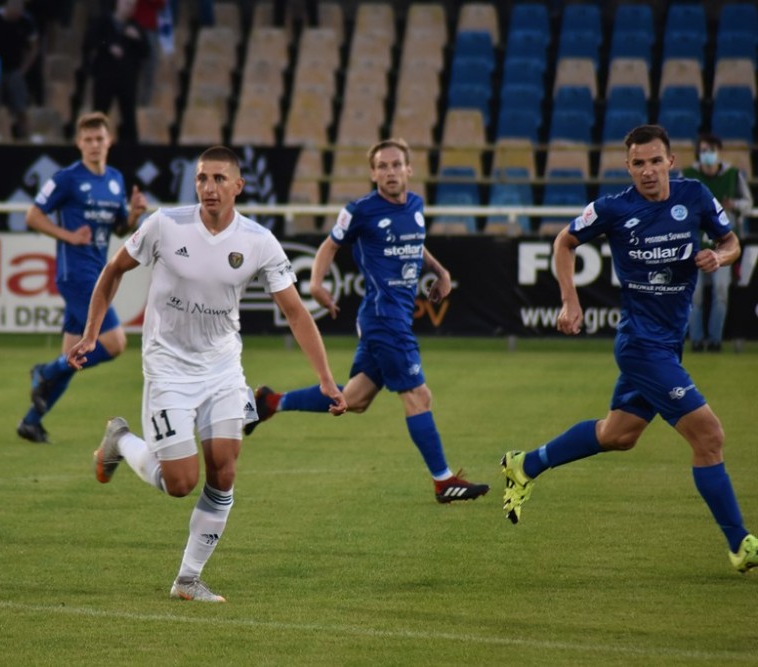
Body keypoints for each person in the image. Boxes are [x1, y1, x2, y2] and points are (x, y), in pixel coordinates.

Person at [67, 146, 347, 602]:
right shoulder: (164, 225)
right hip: (168, 367)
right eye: (202, 178)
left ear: (238, 185)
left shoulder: (258, 241)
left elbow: (296, 312)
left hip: (222, 368)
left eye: (219, 178)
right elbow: (114, 270)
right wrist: (91, 332)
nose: (209, 187)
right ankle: (120, 440)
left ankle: (187, 579)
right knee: (180, 483)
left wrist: (326, 378)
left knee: (224, 469)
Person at [501, 124, 757, 574]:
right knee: (710, 437)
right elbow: (564, 242)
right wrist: (570, 300)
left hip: (668, 344)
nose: (648, 171)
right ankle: (741, 545)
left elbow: (731, 241)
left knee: (617, 436)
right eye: (639, 163)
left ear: (671, 162)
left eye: (656, 161)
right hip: (641, 346)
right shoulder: (614, 208)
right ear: (628, 167)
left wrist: (720, 257)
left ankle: (525, 465)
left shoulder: (695, 196)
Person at [243, 138, 490, 505]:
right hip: (383, 318)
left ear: (409, 169)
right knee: (419, 396)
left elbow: (415, 243)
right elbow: (329, 245)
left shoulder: (416, 206)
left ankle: (270, 401)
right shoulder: (360, 211)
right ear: (373, 173)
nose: (390, 172)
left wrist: (440, 271)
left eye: (396, 164)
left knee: (355, 399)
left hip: (393, 317)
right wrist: (315, 283)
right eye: (382, 166)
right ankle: (443, 481)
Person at [17, 111, 147, 443]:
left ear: (109, 141)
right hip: (75, 274)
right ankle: (45, 371)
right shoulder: (67, 179)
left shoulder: (115, 179)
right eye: (88, 139)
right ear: (78, 143)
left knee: (74, 357)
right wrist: (68, 236)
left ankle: (31, 422)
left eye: (99, 138)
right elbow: (32, 215)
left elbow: (119, 228)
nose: (94, 145)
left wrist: (133, 216)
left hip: (98, 272)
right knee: (115, 343)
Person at [682, 133, 753, 352]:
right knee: (695, 295)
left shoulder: (732, 175)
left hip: (723, 245)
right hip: (693, 244)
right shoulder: (688, 175)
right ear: (698, 153)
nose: (708, 154)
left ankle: (714, 340)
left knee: (721, 292)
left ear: (718, 152)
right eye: (704, 150)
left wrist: (735, 205)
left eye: (711, 150)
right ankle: (696, 340)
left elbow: (748, 203)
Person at [67, 0, 147, 144]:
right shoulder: (103, 22)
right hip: (105, 75)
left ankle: (131, 149)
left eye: (133, 6)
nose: (130, 8)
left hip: (127, 78)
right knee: (100, 113)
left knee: (128, 115)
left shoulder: (135, 26)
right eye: (127, 4)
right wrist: (108, 46)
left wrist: (137, 39)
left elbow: (146, 52)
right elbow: (90, 41)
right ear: (118, 3)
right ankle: (95, 144)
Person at [0, 0, 39, 140]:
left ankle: (24, 139)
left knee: (21, 108)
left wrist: (23, 69)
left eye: (20, 9)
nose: (18, 13)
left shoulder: (26, 21)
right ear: (7, 7)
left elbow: (34, 48)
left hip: (15, 71)